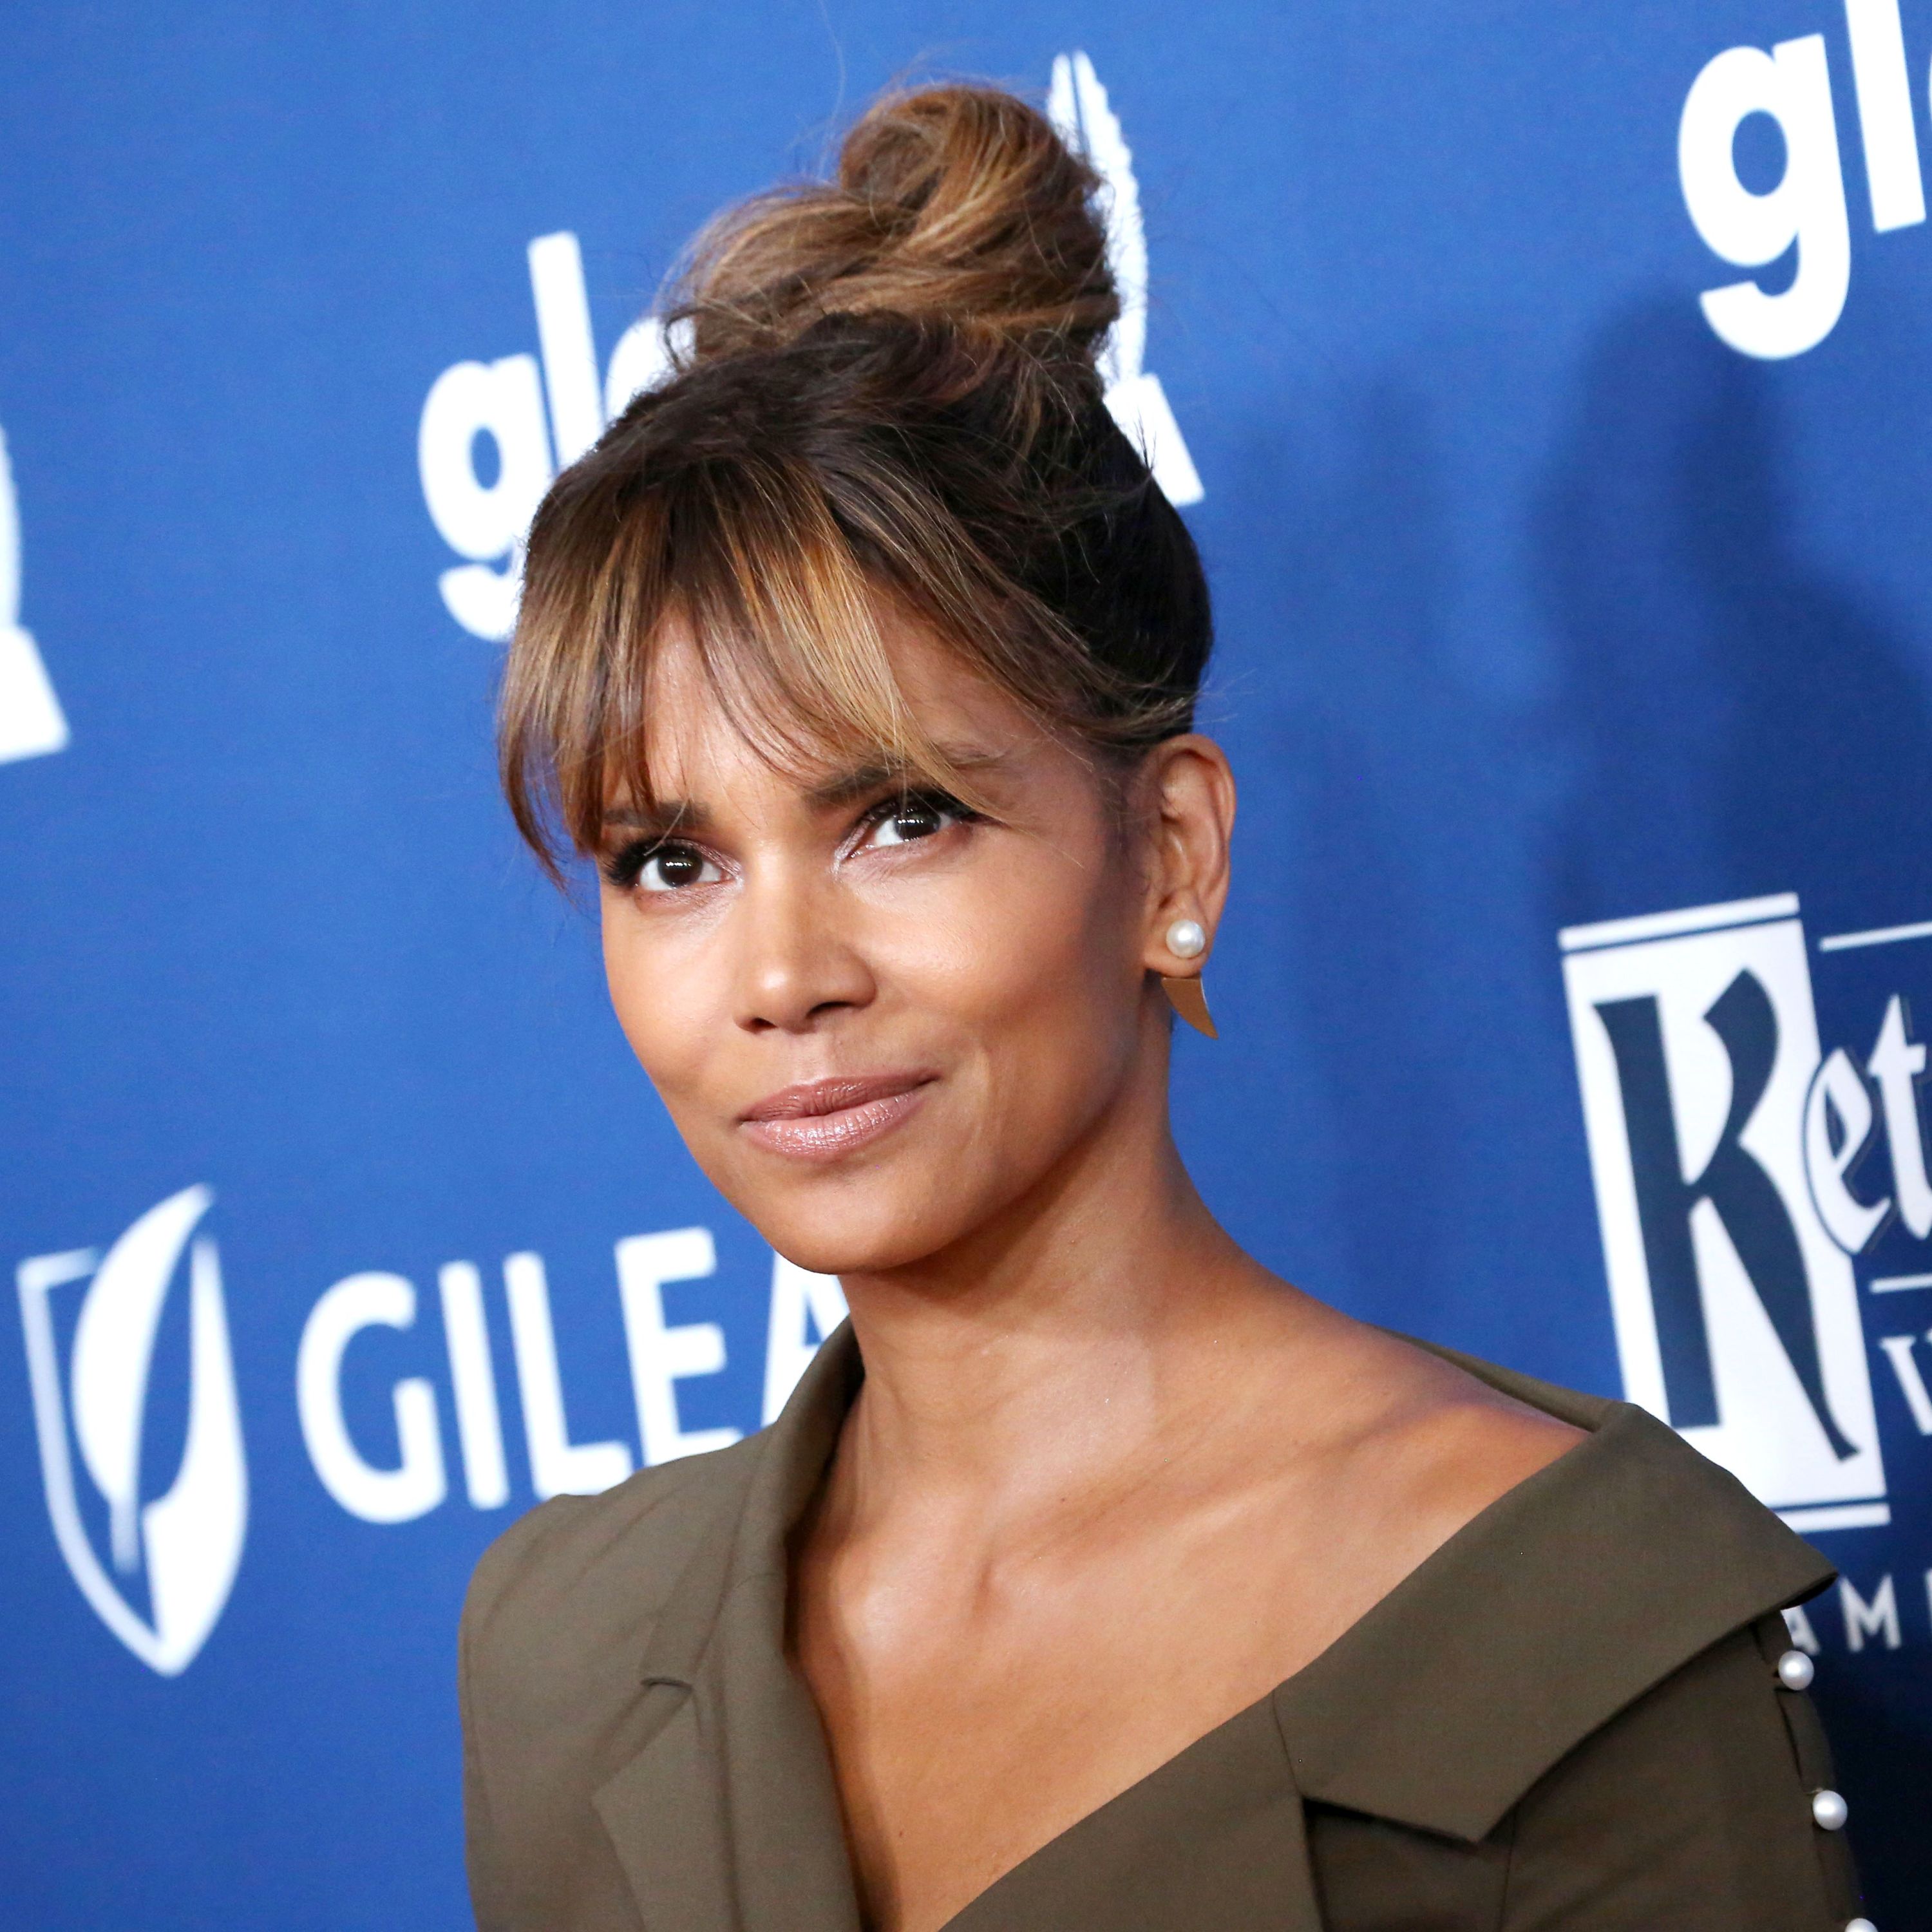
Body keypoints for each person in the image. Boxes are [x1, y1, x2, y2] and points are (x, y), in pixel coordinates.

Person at [460, 80, 1866, 1932]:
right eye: (670, 860)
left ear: (1175, 858)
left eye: (901, 819)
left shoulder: (1565, 1625)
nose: (783, 978)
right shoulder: (564, 1647)